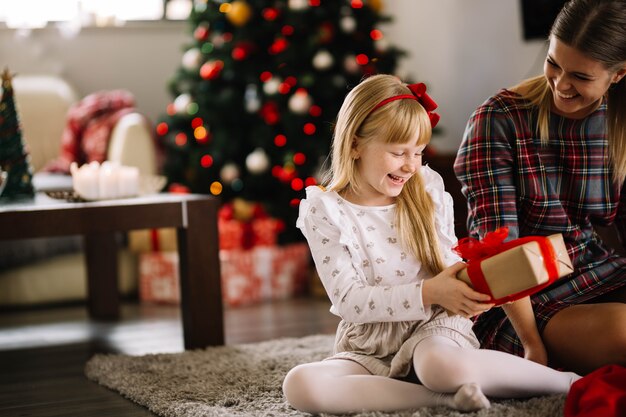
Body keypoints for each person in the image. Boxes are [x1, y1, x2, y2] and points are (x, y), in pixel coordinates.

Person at [282, 74, 580, 415]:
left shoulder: (425, 188)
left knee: (440, 367)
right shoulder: (326, 210)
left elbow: (446, 262)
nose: (411, 165)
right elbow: (350, 301)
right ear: (354, 144)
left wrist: (466, 288)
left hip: (433, 327)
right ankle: (441, 400)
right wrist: (429, 292)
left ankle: (568, 382)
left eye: (418, 152)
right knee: (300, 384)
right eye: (398, 153)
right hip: (370, 342)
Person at [454, 0, 626, 376]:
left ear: (618, 74)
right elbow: (496, 253)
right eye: (553, 63)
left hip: (598, 271)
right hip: (523, 301)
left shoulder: (618, 123)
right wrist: (532, 346)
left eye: (580, 76)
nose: (561, 84)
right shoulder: (499, 119)